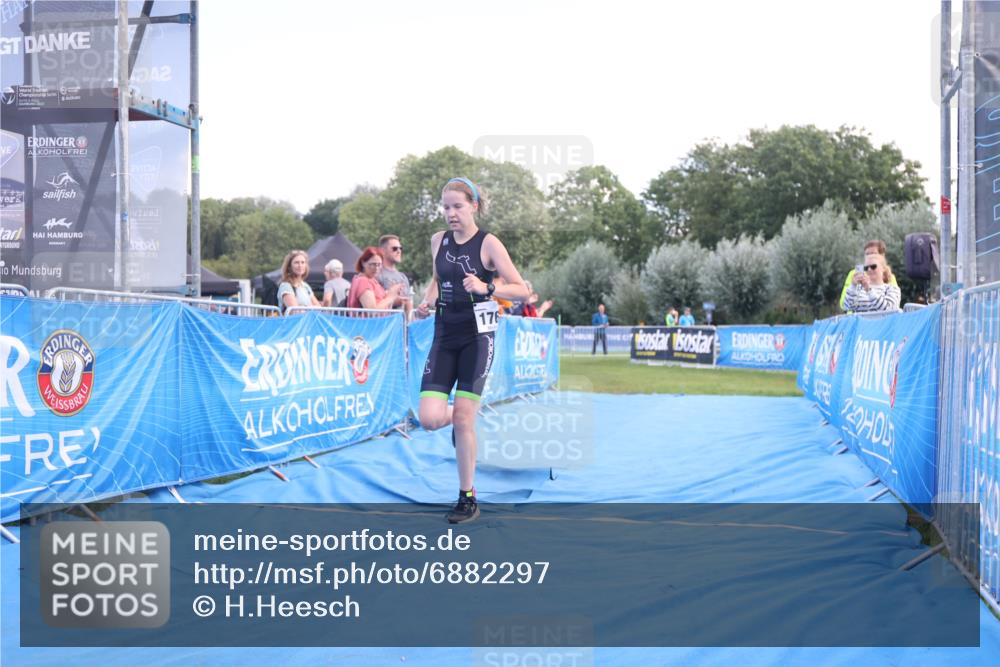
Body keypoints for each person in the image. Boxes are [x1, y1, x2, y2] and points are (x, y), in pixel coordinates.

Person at [415, 177, 529, 523]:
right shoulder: (438, 241)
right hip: (444, 335)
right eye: (446, 207)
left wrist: (487, 286)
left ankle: (467, 497)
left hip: (478, 338)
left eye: (457, 206)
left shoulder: (488, 243)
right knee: (429, 419)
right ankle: (463, 417)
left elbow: (521, 290)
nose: (450, 213)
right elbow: (439, 278)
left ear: (474, 206)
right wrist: (427, 300)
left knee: (464, 419)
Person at [840, 239, 899, 312]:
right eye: (866, 267)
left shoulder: (891, 283)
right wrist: (853, 286)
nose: (869, 270)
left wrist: (869, 290)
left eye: (873, 266)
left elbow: (889, 308)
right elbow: (845, 305)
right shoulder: (853, 274)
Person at [377, 234, 413, 320]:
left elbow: (409, 304)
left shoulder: (403, 277)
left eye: (400, 248)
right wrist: (394, 300)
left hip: (401, 327)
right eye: (394, 248)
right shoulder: (377, 274)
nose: (399, 251)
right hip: (384, 325)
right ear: (382, 251)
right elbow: (374, 304)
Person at [277, 250, 320, 315]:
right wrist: (311, 308)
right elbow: (295, 311)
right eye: (296, 262)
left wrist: (306, 308)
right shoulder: (286, 286)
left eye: (303, 262)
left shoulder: (305, 286)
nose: (300, 265)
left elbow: (319, 308)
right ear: (289, 266)